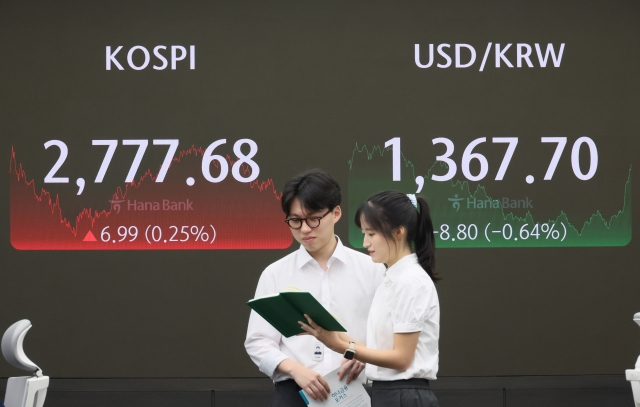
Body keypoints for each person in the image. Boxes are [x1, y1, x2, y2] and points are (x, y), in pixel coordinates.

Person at [245, 169, 385, 407]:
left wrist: (365, 356)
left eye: (313, 219)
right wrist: (296, 370)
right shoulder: (276, 274)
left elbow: (390, 337)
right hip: (295, 393)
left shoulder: (372, 269)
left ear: (336, 213)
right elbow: (257, 341)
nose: (305, 229)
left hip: (355, 392)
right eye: (295, 221)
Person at [300, 190, 440, 407]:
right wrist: (329, 334)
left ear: (398, 232)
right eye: (364, 233)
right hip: (388, 394)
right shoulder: (391, 279)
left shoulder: (410, 281)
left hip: (404, 396)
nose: (365, 242)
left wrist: (341, 346)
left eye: (371, 234)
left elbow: (401, 359)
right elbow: (381, 349)